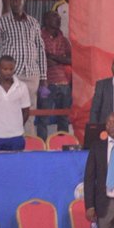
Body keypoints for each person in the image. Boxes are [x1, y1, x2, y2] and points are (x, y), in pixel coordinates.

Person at [0, 0, 46, 134]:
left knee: (29, 111)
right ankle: (10, 139)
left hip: (31, 74)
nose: (15, 3)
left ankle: (29, 142)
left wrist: (43, 78)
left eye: (18, 0)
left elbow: (41, 50)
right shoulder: (1, 22)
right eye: (12, 1)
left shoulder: (33, 22)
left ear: (24, 2)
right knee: (10, 109)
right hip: (11, 74)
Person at [37, 10, 72, 139]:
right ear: (46, 20)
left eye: (58, 17)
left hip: (64, 83)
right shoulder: (39, 37)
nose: (59, 19)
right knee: (43, 116)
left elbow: (71, 60)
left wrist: (53, 57)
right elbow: (39, 58)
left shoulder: (63, 39)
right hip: (45, 83)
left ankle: (63, 144)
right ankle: (42, 146)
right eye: (54, 17)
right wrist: (60, 58)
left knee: (63, 117)